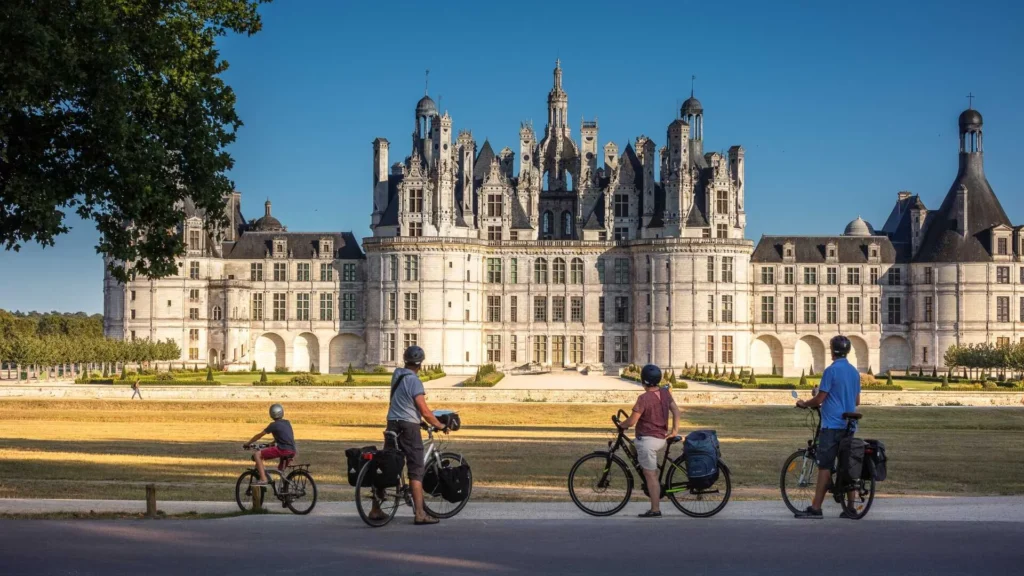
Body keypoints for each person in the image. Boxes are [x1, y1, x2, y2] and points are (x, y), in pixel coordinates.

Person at [370, 345, 447, 525]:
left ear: (405, 360)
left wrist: (418, 419)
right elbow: (425, 410)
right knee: (416, 469)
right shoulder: (414, 381)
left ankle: (375, 509)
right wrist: (439, 424)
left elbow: (403, 402)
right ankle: (420, 513)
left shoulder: (397, 374)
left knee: (388, 465)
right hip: (408, 428)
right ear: (420, 364)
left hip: (392, 423)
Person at [794, 335, 862, 519]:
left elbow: (819, 399)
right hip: (850, 426)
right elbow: (856, 400)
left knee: (825, 465)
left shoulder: (831, 371)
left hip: (832, 424)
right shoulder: (854, 372)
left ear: (832, 350)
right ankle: (850, 508)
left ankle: (816, 508)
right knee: (847, 465)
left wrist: (804, 403)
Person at [615, 364, 680, 518]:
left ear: (643, 381)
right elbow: (676, 411)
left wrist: (620, 425)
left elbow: (631, 422)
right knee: (633, 445)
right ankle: (653, 476)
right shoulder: (665, 393)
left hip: (649, 441)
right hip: (661, 438)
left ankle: (655, 509)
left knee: (649, 474)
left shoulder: (643, 399)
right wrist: (674, 431)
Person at [243, 404, 296, 486]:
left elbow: (259, 435)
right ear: (282, 412)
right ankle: (284, 492)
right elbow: (284, 436)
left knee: (257, 455)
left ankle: (263, 479)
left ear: (271, 413)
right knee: (280, 471)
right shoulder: (287, 422)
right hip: (292, 450)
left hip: (283, 449)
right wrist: (271, 444)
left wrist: (248, 443)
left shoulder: (273, 425)